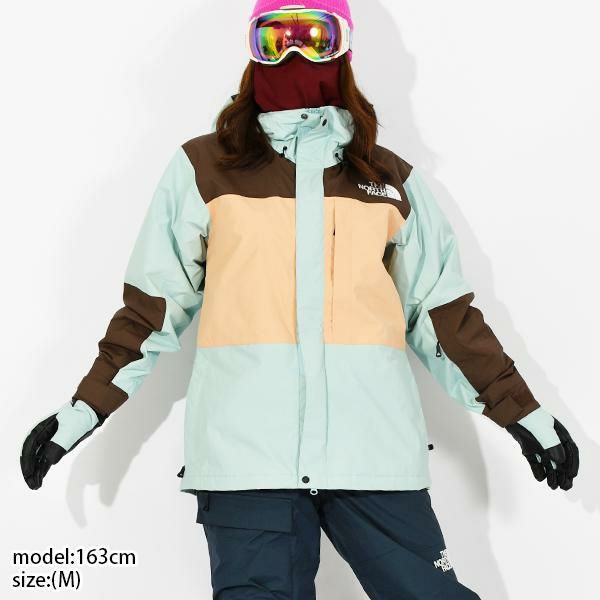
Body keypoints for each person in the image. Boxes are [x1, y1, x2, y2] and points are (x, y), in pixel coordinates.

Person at [20, 1, 579, 598]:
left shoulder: (388, 180)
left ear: (343, 51)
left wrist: (523, 413)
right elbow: (150, 312)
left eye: (314, 37)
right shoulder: (204, 169)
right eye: (275, 38)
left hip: (372, 452)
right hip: (247, 462)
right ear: (253, 52)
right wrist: (83, 410)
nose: (293, 54)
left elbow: (444, 319)